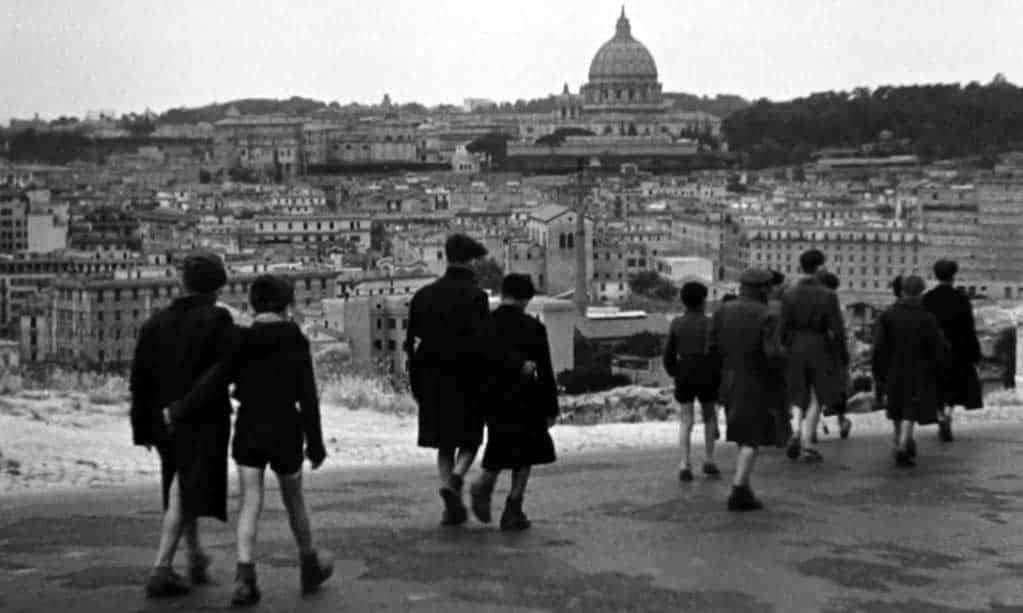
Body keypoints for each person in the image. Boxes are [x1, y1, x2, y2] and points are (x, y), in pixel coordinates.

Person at [169, 275, 334, 605]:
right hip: (286, 426)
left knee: (250, 502)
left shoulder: (240, 339)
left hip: (249, 427)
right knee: (294, 500)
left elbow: (214, 380)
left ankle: (245, 576)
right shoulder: (295, 340)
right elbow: (309, 397)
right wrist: (315, 444)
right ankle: (308, 563)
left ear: (253, 304)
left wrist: (180, 409)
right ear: (287, 305)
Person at [405, 234, 533, 526]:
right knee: (470, 438)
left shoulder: (423, 295)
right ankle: (457, 478)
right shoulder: (475, 296)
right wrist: (515, 364)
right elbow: (485, 341)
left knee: (443, 442)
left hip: (431, 377)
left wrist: (416, 382)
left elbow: (411, 343)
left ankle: (450, 499)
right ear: (471, 261)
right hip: (465, 377)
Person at [130, 253, 235, 598]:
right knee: (182, 488)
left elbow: (139, 381)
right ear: (218, 286)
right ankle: (162, 567)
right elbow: (224, 371)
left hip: (161, 422)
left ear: (182, 283)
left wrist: (142, 427)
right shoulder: (218, 320)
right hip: (200, 417)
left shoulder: (155, 323)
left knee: (179, 483)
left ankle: (194, 556)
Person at [469, 274, 558, 531]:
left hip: (494, 395)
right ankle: (513, 506)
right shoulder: (533, 327)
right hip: (526, 397)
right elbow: (546, 371)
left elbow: (478, 360)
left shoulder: (486, 324)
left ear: (503, 293)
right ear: (525, 299)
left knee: (500, 444)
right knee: (526, 452)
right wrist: (551, 408)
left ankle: (484, 482)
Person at [709, 268, 787, 511]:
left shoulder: (722, 311)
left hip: (728, 378)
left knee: (742, 430)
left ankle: (743, 485)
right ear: (763, 289)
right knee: (752, 435)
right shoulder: (767, 315)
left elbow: (710, 347)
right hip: (755, 379)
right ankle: (739, 489)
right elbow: (772, 354)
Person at [779, 249, 849, 463]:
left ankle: (796, 432)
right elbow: (836, 328)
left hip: (796, 346)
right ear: (819, 267)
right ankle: (807, 443)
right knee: (817, 396)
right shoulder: (828, 295)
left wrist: (787, 346)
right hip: (820, 345)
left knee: (799, 392)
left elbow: (783, 327)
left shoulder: (789, 293)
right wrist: (842, 355)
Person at [872, 276, 948, 467]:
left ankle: (900, 438)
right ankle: (904, 443)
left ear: (902, 291)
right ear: (921, 293)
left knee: (896, 405)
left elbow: (879, 347)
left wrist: (878, 372)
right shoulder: (927, 318)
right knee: (910, 408)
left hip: (893, 367)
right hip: (919, 368)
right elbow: (938, 348)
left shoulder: (887, 315)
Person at [663, 281, 721, 482]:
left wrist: (674, 372)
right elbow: (717, 352)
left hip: (685, 372)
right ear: (703, 301)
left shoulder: (676, 323)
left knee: (686, 420)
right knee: (709, 417)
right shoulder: (710, 323)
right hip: (707, 372)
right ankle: (709, 459)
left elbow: (668, 353)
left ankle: (685, 462)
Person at [922, 259, 983, 442]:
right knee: (955, 386)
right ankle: (948, 413)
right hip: (958, 350)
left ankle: (940, 414)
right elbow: (968, 328)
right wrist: (975, 352)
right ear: (953, 276)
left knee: (937, 385)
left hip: (933, 351)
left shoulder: (928, 299)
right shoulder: (961, 299)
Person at [818, 272, 852, 440]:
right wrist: (844, 354)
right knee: (839, 387)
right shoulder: (833, 302)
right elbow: (839, 330)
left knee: (815, 390)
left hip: (814, 352)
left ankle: (812, 426)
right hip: (832, 353)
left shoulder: (810, 300)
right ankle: (841, 421)